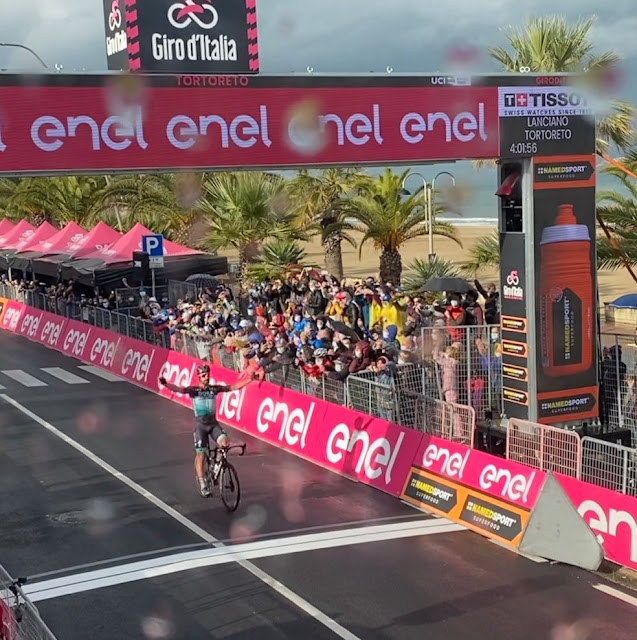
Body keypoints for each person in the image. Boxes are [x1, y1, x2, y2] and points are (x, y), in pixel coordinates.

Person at [158, 363, 253, 497]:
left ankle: (217, 466)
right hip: (200, 426)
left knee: (225, 443)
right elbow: (179, 389)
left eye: (207, 374)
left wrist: (250, 379)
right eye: (203, 375)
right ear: (199, 377)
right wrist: (166, 384)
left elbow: (232, 387)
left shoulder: (214, 389)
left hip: (213, 425)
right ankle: (202, 483)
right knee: (201, 455)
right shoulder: (194, 390)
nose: (206, 377)